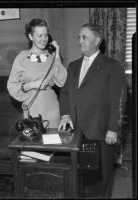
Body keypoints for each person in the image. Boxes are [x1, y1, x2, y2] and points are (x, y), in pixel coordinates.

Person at [58, 23, 127, 198]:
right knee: (80, 176)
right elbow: (64, 93)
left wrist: (113, 128)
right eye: (79, 37)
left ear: (97, 40)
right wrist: (65, 114)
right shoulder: (73, 66)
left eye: (84, 37)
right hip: (75, 132)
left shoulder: (112, 66)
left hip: (101, 131)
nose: (79, 41)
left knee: (102, 177)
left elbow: (119, 100)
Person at [7, 18, 67, 128]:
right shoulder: (22, 57)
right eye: (40, 36)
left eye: (46, 35)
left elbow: (61, 81)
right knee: (33, 142)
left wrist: (57, 55)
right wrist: (32, 85)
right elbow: (11, 86)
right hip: (31, 109)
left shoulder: (51, 57)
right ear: (31, 37)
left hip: (52, 109)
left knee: (52, 143)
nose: (44, 39)